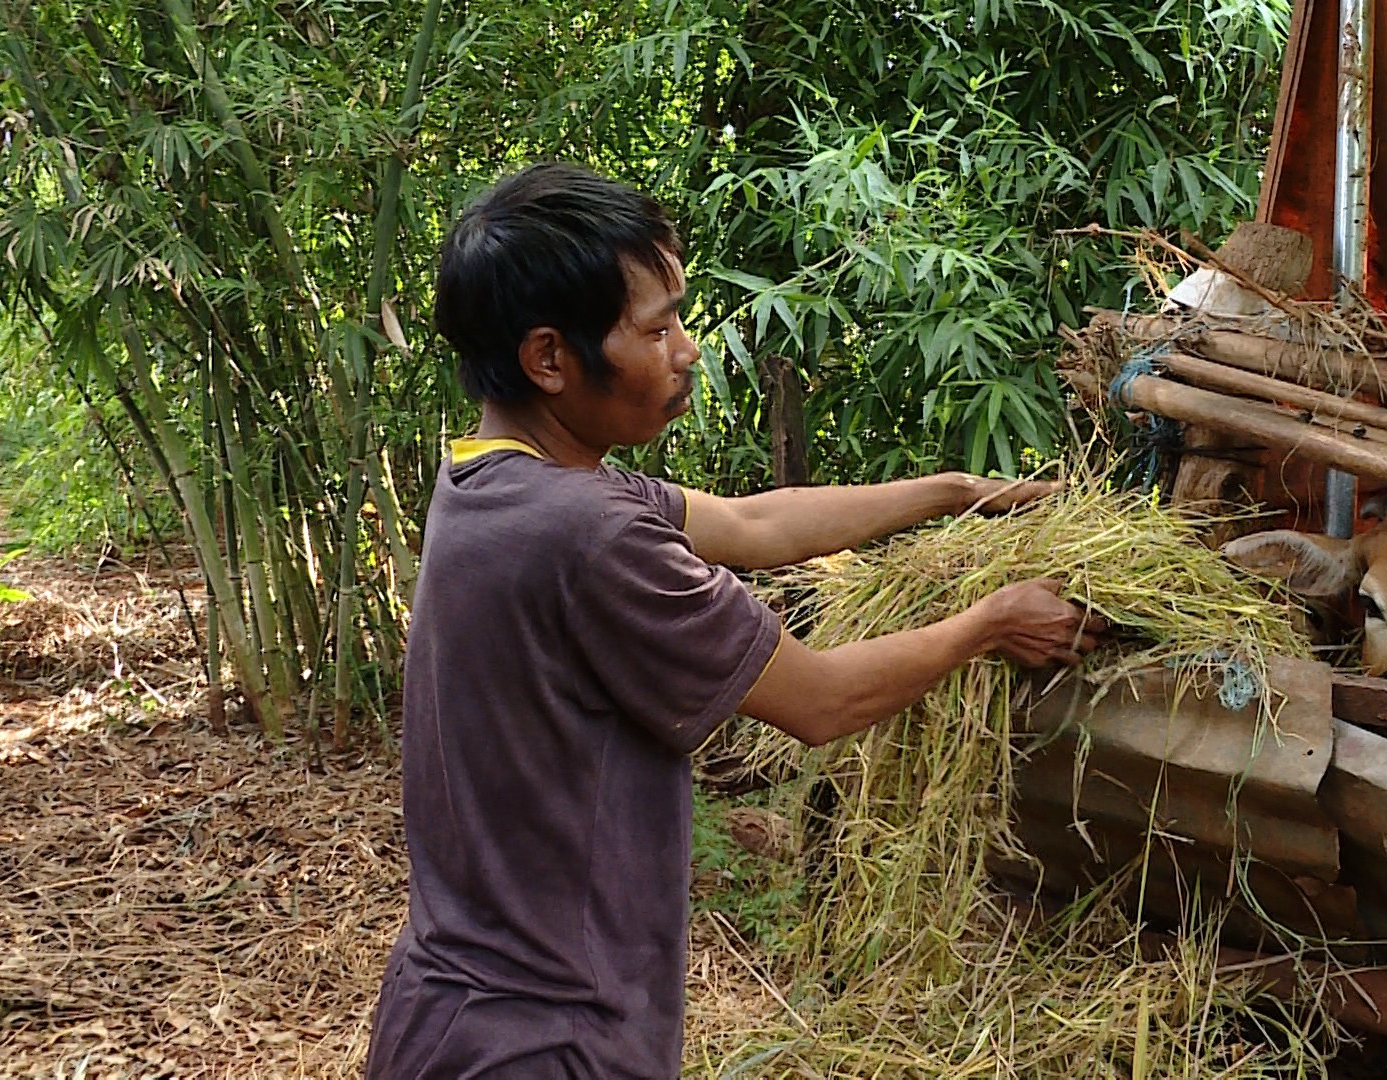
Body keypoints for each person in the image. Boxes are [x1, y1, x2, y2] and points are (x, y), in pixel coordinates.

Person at [364, 162, 1104, 1080]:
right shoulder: (587, 533)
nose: (687, 350)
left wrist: (960, 493)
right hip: (543, 1038)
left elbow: (758, 525)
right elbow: (822, 702)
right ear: (549, 358)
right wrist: (990, 623)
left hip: (452, 1014)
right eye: (656, 327)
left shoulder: (497, 479)